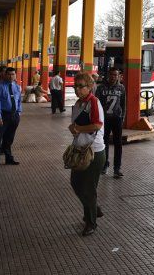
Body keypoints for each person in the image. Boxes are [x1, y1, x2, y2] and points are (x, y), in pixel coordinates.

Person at [68, 71, 105, 236]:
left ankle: (91, 223)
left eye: (81, 86)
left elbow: (97, 125)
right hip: (79, 151)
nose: (77, 89)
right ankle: (94, 207)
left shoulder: (94, 103)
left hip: (94, 152)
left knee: (88, 188)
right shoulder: (77, 104)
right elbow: (74, 126)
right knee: (76, 183)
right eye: (75, 86)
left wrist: (79, 129)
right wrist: (73, 129)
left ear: (90, 87)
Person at [94, 68, 126, 177]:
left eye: (115, 75)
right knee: (104, 143)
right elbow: (96, 104)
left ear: (118, 76)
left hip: (117, 118)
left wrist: (122, 118)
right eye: (111, 74)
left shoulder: (121, 88)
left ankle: (117, 168)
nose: (113, 77)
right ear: (108, 75)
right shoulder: (101, 88)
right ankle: (104, 165)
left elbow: (123, 104)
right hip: (104, 119)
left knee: (118, 144)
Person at [0, 66, 22, 168]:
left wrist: (19, 112)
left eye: (13, 74)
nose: (11, 76)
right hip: (3, 115)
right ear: (5, 75)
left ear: (15, 75)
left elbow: (19, 101)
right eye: (9, 74)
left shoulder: (17, 87)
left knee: (9, 138)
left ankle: (9, 158)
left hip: (14, 116)